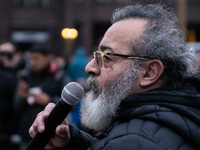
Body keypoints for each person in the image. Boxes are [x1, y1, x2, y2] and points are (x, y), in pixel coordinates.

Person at [29, 3, 200, 150]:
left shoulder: (133, 142)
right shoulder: (179, 114)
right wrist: (72, 143)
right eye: (97, 55)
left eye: (107, 57)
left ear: (149, 72)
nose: (89, 67)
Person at [14, 43, 71, 150]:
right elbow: (16, 107)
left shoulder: (59, 76)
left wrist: (48, 100)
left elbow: (70, 104)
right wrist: (23, 97)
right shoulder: (26, 75)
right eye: (31, 59)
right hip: (27, 135)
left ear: (47, 58)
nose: (32, 62)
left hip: (52, 137)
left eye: (36, 59)